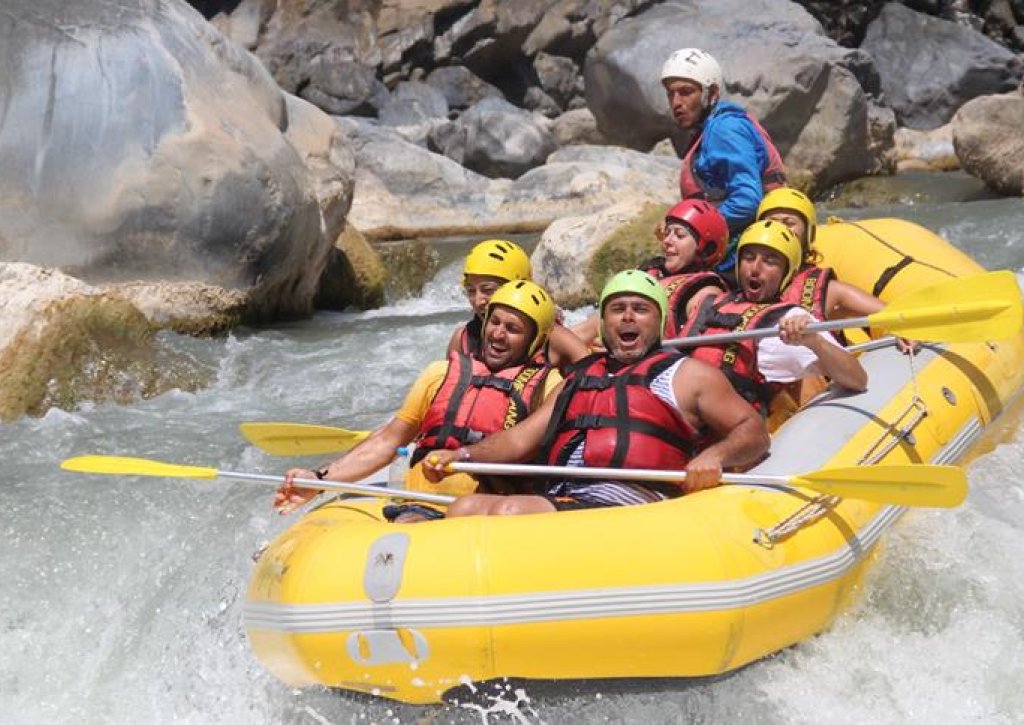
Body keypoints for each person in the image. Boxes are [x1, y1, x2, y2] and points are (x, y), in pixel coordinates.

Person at [422, 270, 770, 517]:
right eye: (617, 309)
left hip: (632, 505)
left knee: (511, 512)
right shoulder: (579, 378)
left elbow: (753, 431)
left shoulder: (688, 375)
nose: (628, 317)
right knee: (464, 508)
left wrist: (716, 456)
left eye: (640, 309)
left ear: (660, 321)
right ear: (604, 323)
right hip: (567, 497)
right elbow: (518, 440)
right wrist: (462, 455)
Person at [274, 280, 564, 520]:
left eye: (513, 329)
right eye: (495, 322)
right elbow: (388, 441)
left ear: (536, 341)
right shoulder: (440, 374)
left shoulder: (548, 386)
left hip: (486, 513)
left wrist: (463, 455)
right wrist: (319, 480)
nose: (498, 334)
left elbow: (521, 444)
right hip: (418, 504)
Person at [678, 220, 868, 420]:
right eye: (749, 258)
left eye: (769, 261)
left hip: (736, 427)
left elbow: (858, 379)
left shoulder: (790, 319)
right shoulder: (711, 304)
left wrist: (814, 341)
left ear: (787, 273)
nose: (755, 268)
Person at [660, 48, 786, 279]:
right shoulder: (713, 128)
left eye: (686, 92)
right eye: (671, 94)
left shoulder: (724, 129)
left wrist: (692, 227)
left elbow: (747, 201)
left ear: (712, 93)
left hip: (750, 251)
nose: (676, 102)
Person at [755, 187, 916, 352]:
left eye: (789, 223)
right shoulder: (746, 284)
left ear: (809, 234)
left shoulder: (830, 291)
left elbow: (894, 316)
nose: (780, 229)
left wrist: (901, 330)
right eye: (772, 222)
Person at [573, 200, 730, 345]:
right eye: (667, 233)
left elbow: (689, 350)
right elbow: (593, 325)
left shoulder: (705, 292)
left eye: (679, 235)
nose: (667, 241)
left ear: (706, 250)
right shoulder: (652, 271)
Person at [448, 238, 588, 369]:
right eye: (471, 290)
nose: (478, 301)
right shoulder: (462, 339)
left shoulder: (553, 339)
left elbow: (592, 376)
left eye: (488, 290)